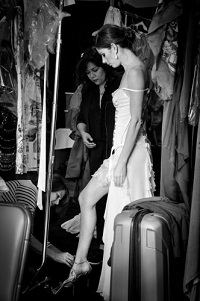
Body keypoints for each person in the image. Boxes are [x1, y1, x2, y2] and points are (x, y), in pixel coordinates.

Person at [59, 24, 156, 300]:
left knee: (123, 219)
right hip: (120, 152)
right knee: (88, 199)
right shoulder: (129, 72)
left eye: (103, 54)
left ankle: (125, 286)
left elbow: (136, 121)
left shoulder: (136, 71)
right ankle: (81, 264)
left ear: (114, 48)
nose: (103, 60)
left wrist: (122, 163)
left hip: (130, 156)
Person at [66, 46, 123, 246]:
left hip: (118, 149)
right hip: (96, 148)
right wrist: (82, 132)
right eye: (88, 73)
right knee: (97, 198)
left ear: (104, 66)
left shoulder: (119, 84)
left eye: (95, 70)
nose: (92, 76)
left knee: (117, 194)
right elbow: (81, 118)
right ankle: (100, 243)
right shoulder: (88, 90)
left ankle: (116, 241)